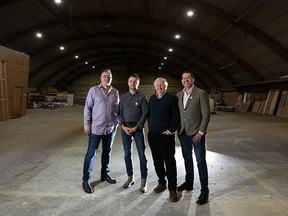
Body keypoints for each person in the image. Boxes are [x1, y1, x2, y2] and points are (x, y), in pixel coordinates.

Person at [82, 69, 120, 194]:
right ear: (100, 78)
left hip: (110, 129)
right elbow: (88, 108)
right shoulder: (94, 90)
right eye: (104, 76)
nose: (106, 78)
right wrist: (87, 125)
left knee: (107, 153)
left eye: (109, 76)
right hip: (96, 129)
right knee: (91, 154)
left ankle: (105, 174)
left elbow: (118, 109)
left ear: (111, 78)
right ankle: (86, 180)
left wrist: (116, 123)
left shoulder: (115, 92)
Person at [176, 71, 211, 205]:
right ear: (181, 81)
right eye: (183, 78)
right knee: (187, 160)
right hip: (184, 134)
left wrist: (201, 132)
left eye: (188, 78)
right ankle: (189, 183)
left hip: (197, 134)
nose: (186, 80)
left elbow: (206, 114)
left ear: (193, 79)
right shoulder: (179, 95)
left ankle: (204, 192)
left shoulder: (201, 93)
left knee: (200, 161)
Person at [147, 77, 180, 202]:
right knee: (157, 161)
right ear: (154, 86)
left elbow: (176, 116)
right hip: (153, 135)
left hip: (166, 136)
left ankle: (172, 189)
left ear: (166, 86)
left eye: (162, 85)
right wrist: (151, 129)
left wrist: (171, 130)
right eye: (157, 85)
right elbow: (150, 115)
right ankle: (162, 182)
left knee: (169, 162)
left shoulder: (171, 98)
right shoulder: (152, 98)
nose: (160, 87)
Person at [119, 74, 148, 193]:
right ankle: (130, 177)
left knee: (142, 155)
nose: (132, 83)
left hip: (138, 129)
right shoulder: (123, 97)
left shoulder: (142, 97)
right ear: (128, 83)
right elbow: (119, 113)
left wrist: (136, 127)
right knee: (127, 154)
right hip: (125, 128)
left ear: (138, 83)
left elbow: (145, 113)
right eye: (131, 81)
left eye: (135, 81)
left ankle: (143, 180)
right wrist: (123, 126)